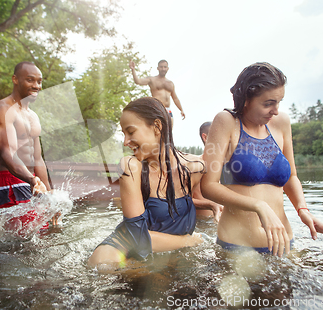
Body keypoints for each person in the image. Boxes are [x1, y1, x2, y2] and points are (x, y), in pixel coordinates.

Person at [200, 62, 323, 257]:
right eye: (268, 103)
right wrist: (259, 206)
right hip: (238, 247)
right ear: (246, 99)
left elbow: (291, 176)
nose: (276, 110)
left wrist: (303, 210)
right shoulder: (227, 122)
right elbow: (208, 185)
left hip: (284, 244)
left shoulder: (282, 123)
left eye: (279, 102)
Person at [88, 97, 203, 267]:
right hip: (124, 254)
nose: (126, 142)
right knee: (102, 265)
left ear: (157, 126)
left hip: (162, 259)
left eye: (131, 132)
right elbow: (137, 236)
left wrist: (211, 205)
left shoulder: (194, 167)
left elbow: (197, 206)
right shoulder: (130, 166)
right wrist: (187, 241)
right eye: (124, 134)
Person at [0, 61, 52, 215]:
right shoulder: (3, 109)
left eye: (39, 81)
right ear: (15, 79)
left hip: (33, 180)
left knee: (41, 232)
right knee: (21, 237)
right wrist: (32, 180)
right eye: (30, 80)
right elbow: (7, 153)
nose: (36, 86)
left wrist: (49, 193)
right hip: (11, 180)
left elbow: (38, 159)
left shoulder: (33, 116)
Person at [129, 59, 185, 126]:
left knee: (169, 132)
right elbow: (138, 81)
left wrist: (181, 110)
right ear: (158, 68)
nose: (163, 69)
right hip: (157, 107)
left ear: (168, 68)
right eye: (161, 67)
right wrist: (133, 70)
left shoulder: (170, 83)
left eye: (165, 67)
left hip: (167, 109)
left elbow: (175, 98)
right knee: (157, 130)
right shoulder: (152, 80)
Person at [191, 121, 223, 221]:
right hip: (203, 225)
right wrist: (211, 205)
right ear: (205, 137)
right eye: (221, 136)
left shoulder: (229, 167)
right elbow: (181, 200)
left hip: (222, 226)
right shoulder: (196, 166)